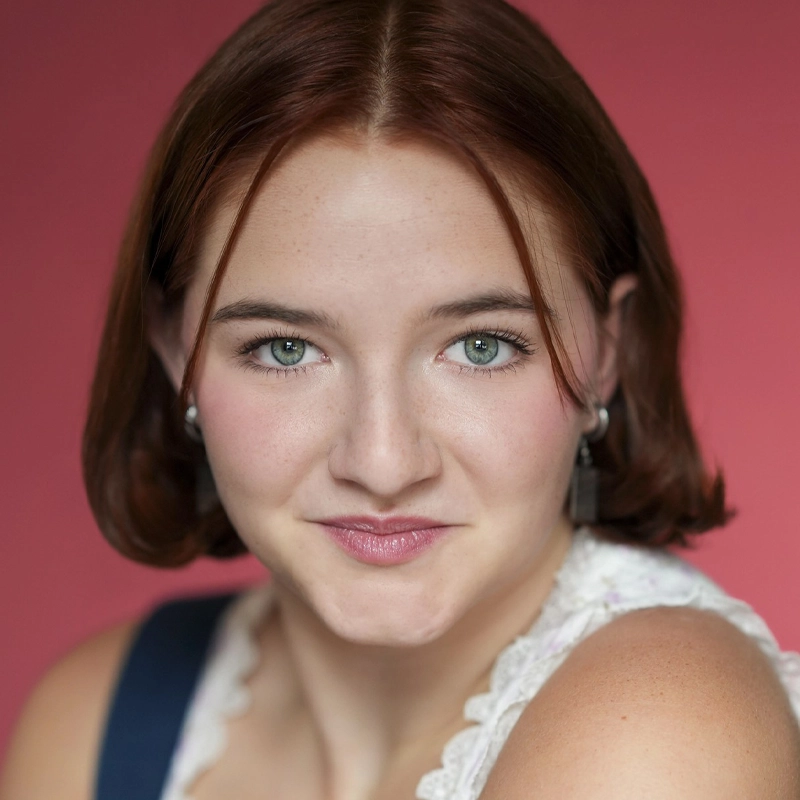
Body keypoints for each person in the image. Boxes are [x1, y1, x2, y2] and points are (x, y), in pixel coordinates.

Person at [2, 0, 799, 797]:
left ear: (607, 351)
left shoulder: (664, 730)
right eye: (286, 349)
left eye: (481, 346)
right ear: (178, 352)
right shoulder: (97, 721)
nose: (382, 463)